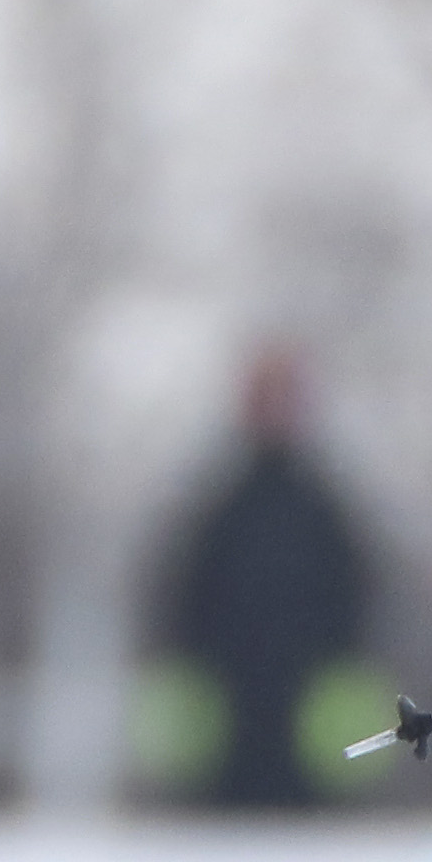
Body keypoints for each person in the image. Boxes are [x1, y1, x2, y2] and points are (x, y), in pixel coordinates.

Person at [149, 346, 376, 810]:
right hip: (229, 723)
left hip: (308, 726)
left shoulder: (324, 511)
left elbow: (357, 601)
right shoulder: (219, 509)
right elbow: (182, 602)